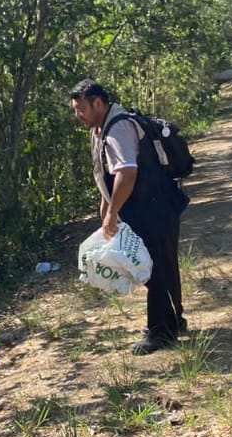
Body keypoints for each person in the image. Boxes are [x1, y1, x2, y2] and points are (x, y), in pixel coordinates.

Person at [70, 79, 188, 354]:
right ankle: (173, 321)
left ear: (98, 103)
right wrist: (106, 206)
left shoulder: (118, 127)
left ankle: (161, 331)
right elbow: (108, 172)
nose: (78, 115)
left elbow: (127, 172)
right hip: (149, 205)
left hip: (153, 207)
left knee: (154, 268)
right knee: (162, 264)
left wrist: (112, 213)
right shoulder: (101, 128)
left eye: (81, 109)